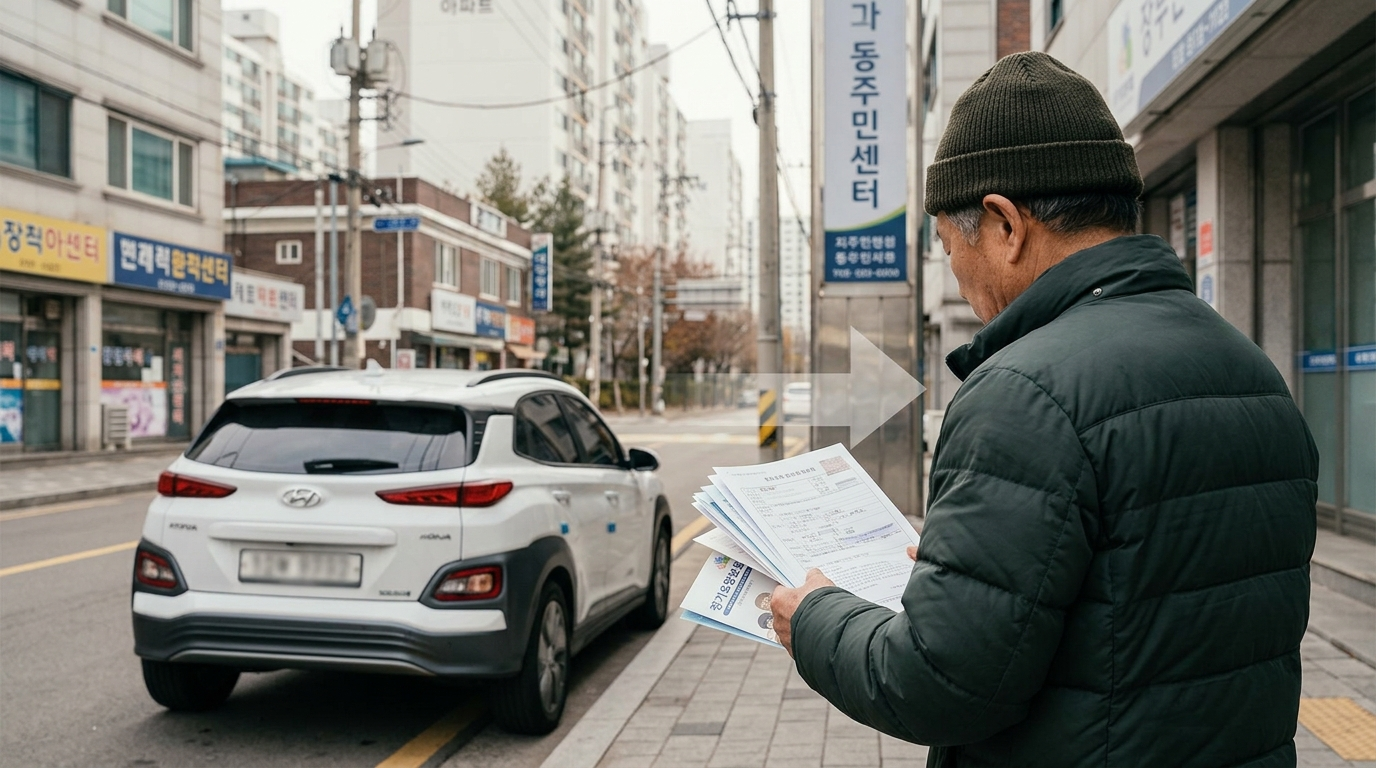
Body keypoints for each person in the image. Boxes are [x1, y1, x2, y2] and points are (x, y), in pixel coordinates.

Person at [769, 51, 1318, 768]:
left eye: (947, 245)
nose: (958, 276)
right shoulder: (1251, 370)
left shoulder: (1023, 393)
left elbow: (937, 684)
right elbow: (1148, 602)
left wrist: (814, 616)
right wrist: (968, 578)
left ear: (1004, 224)